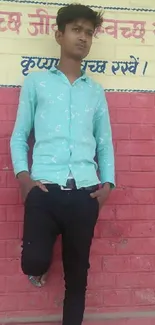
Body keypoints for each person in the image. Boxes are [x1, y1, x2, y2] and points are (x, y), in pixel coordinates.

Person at [10, 3, 115, 325]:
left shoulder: (95, 92)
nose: (83, 38)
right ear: (59, 34)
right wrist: (25, 179)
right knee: (33, 261)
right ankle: (36, 268)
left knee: (77, 276)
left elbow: (104, 142)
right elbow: (19, 136)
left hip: (85, 193)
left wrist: (107, 185)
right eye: (76, 30)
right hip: (44, 189)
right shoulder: (37, 83)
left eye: (89, 32)